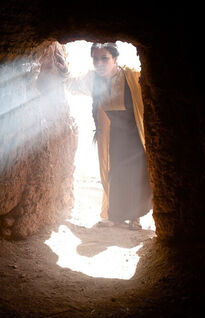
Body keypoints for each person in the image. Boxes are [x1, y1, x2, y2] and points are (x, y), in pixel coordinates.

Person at [37, 42, 152, 230]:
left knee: (138, 175)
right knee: (115, 174)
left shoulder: (131, 76)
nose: (99, 63)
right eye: (95, 59)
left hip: (135, 135)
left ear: (115, 59)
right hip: (115, 135)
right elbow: (72, 85)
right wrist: (63, 69)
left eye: (104, 58)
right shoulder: (93, 79)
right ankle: (115, 216)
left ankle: (135, 218)